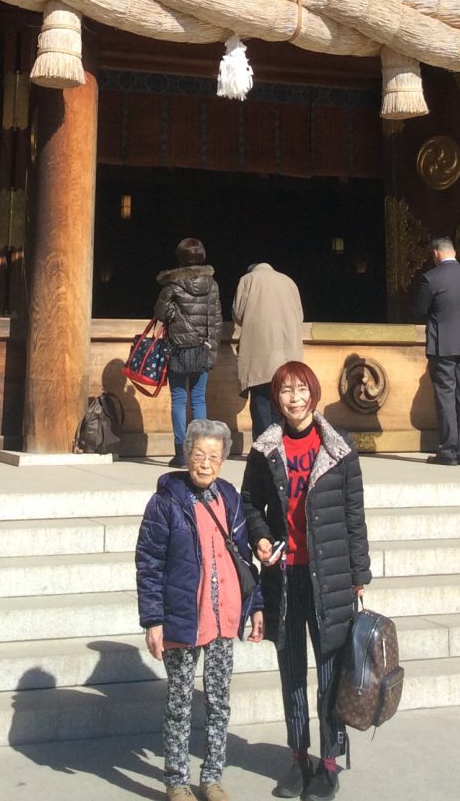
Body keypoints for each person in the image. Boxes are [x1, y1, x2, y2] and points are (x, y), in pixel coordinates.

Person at [241, 360, 371, 801]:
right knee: (292, 672)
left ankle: (330, 763)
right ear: (275, 398)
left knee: (331, 674)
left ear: (314, 394)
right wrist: (260, 538)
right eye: (285, 391)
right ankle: (298, 758)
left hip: (330, 575)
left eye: (302, 390)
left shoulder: (339, 449)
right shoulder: (265, 450)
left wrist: (360, 574)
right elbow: (249, 504)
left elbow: (354, 515)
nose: (294, 399)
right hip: (285, 576)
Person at [135, 418, 264, 801]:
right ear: (186, 455)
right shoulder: (165, 502)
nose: (205, 463)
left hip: (225, 617)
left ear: (223, 460)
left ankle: (211, 777)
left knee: (219, 699)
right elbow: (149, 563)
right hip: (183, 618)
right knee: (179, 700)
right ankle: (176, 779)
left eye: (213, 456)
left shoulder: (229, 498)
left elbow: (243, 560)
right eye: (198, 455)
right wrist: (153, 620)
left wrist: (255, 605)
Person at [154, 238, 222, 466]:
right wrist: (212, 348)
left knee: (179, 399)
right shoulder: (212, 285)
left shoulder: (172, 285)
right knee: (199, 399)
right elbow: (216, 319)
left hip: (178, 349)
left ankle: (181, 453)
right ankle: (201, 452)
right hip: (202, 348)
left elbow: (160, 314)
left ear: (180, 258)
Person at [411, 236, 460, 465]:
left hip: (442, 344)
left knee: (446, 397)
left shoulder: (431, 279)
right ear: (454, 253)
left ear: (436, 253)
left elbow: (420, 310)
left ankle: (448, 451)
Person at [232, 260, 304, 441]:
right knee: (282, 401)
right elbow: (300, 315)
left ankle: (264, 449)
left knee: (261, 400)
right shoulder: (288, 281)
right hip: (287, 353)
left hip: (259, 352)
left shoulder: (248, 280)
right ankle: (281, 445)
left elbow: (237, 314)